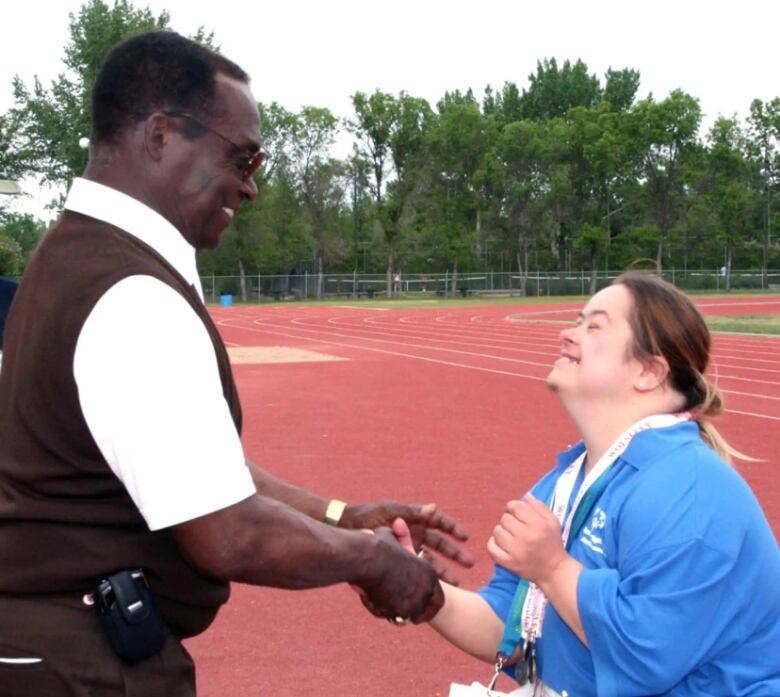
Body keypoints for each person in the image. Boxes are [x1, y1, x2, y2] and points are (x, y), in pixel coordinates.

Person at [0, 32, 472, 696]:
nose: (250, 187)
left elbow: (189, 468)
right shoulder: (130, 292)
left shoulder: (72, 257)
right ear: (161, 135)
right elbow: (228, 532)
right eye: (243, 157)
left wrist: (342, 515)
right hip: (85, 665)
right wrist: (371, 559)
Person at [393, 272, 780, 696]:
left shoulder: (689, 488)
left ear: (649, 372)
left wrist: (554, 568)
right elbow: (511, 626)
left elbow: (646, 657)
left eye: (593, 325)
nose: (567, 334)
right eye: (577, 320)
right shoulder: (567, 480)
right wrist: (415, 586)